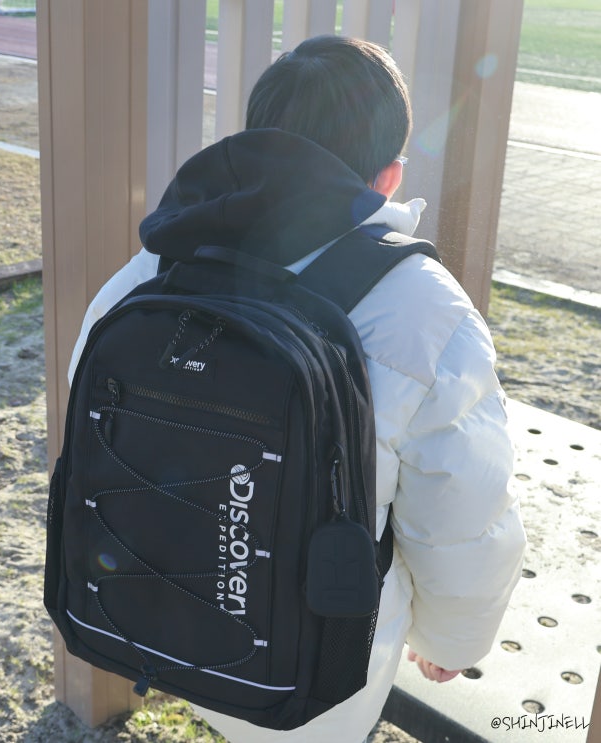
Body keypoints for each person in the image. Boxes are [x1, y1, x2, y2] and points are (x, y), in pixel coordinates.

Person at [68, 34, 526, 743]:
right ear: (388, 177)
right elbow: (462, 511)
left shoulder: (154, 265)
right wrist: (452, 641)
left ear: (255, 141)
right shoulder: (425, 310)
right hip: (314, 672)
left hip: (157, 621)